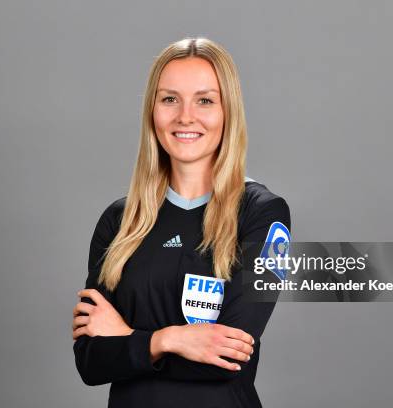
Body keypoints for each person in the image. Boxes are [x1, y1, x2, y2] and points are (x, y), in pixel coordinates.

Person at [72, 37, 291, 408]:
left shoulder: (263, 214)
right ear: (152, 111)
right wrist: (170, 340)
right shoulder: (120, 221)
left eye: (205, 100)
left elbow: (228, 359)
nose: (185, 116)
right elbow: (90, 362)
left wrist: (130, 339)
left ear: (228, 112)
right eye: (169, 99)